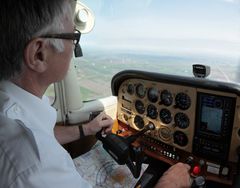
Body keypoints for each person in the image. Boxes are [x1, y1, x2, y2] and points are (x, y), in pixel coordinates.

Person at [0, 0, 191, 187]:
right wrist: (171, 183)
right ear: (38, 54)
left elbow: (42, 133)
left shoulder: (12, 111)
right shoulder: (35, 164)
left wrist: (87, 129)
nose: (74, 47)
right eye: (73, 36)